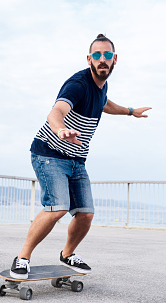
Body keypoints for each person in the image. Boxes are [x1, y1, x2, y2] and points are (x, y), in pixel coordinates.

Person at [10, 34, 151, 279]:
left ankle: (67, 254)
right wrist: (60, 129)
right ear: (89, 59)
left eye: (107, 55)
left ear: (115, 59)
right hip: (49, 153)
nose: (102, 59)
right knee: (57, 208)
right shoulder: (78, 84)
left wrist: (131, 111)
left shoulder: (101, 86)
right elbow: (56, 111)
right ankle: (22, 258)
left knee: (85, 214)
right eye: (97, 55)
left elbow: (105, 104)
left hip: (76, 160)